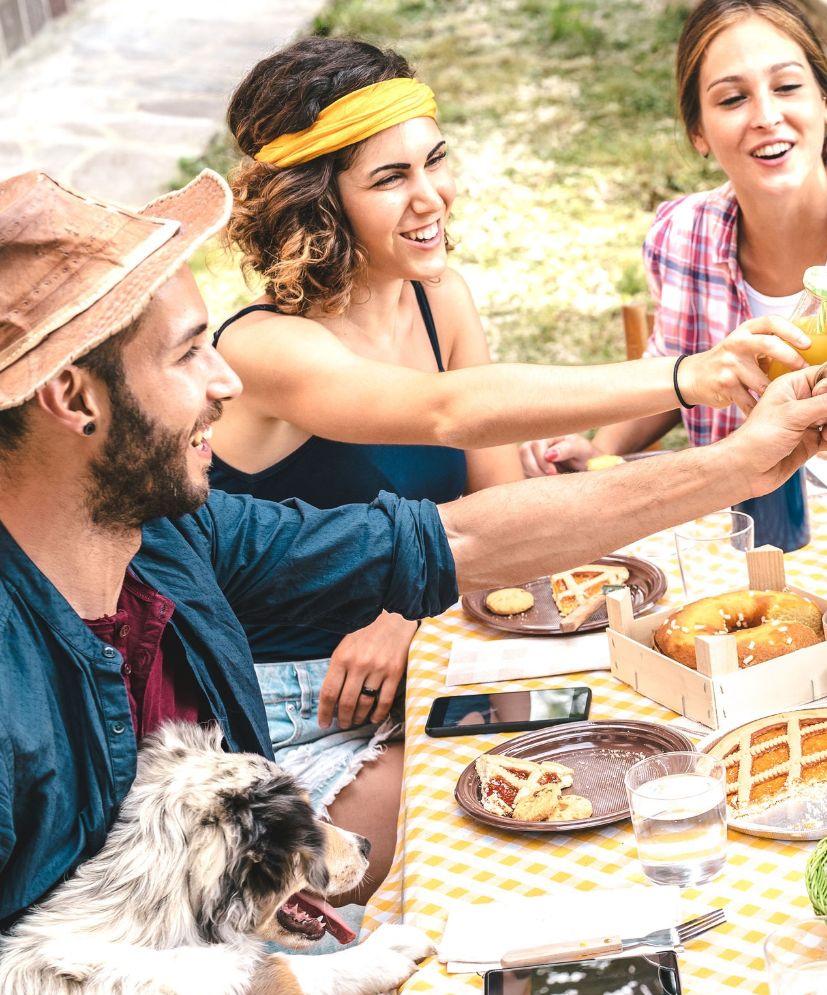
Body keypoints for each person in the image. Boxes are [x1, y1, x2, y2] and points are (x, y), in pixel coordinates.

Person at [0, 168, 827, 995]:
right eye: (187, 354)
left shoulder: (173, 534)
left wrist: (737, 466)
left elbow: (458, 543)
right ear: (73, 396)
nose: (225, 381)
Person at [206, 35, 780, 889]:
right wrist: (686, 376)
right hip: (289, 709)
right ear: (320, 205)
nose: (431, 197)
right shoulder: (264, 349)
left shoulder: (441, 298)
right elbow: (449, 412)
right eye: (389, 179)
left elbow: (501, 521)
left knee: (635, 759)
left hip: (426, 664)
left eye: (434, 162)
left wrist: (408, 615)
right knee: (493, 839)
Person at [528, 0, 827, 470]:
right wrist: (599, 451)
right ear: (698, 132)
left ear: (825, 102)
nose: (766, 116)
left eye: (787, 86)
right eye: (732, 99)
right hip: (750, 514)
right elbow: (673, 376)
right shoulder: (681, 236)